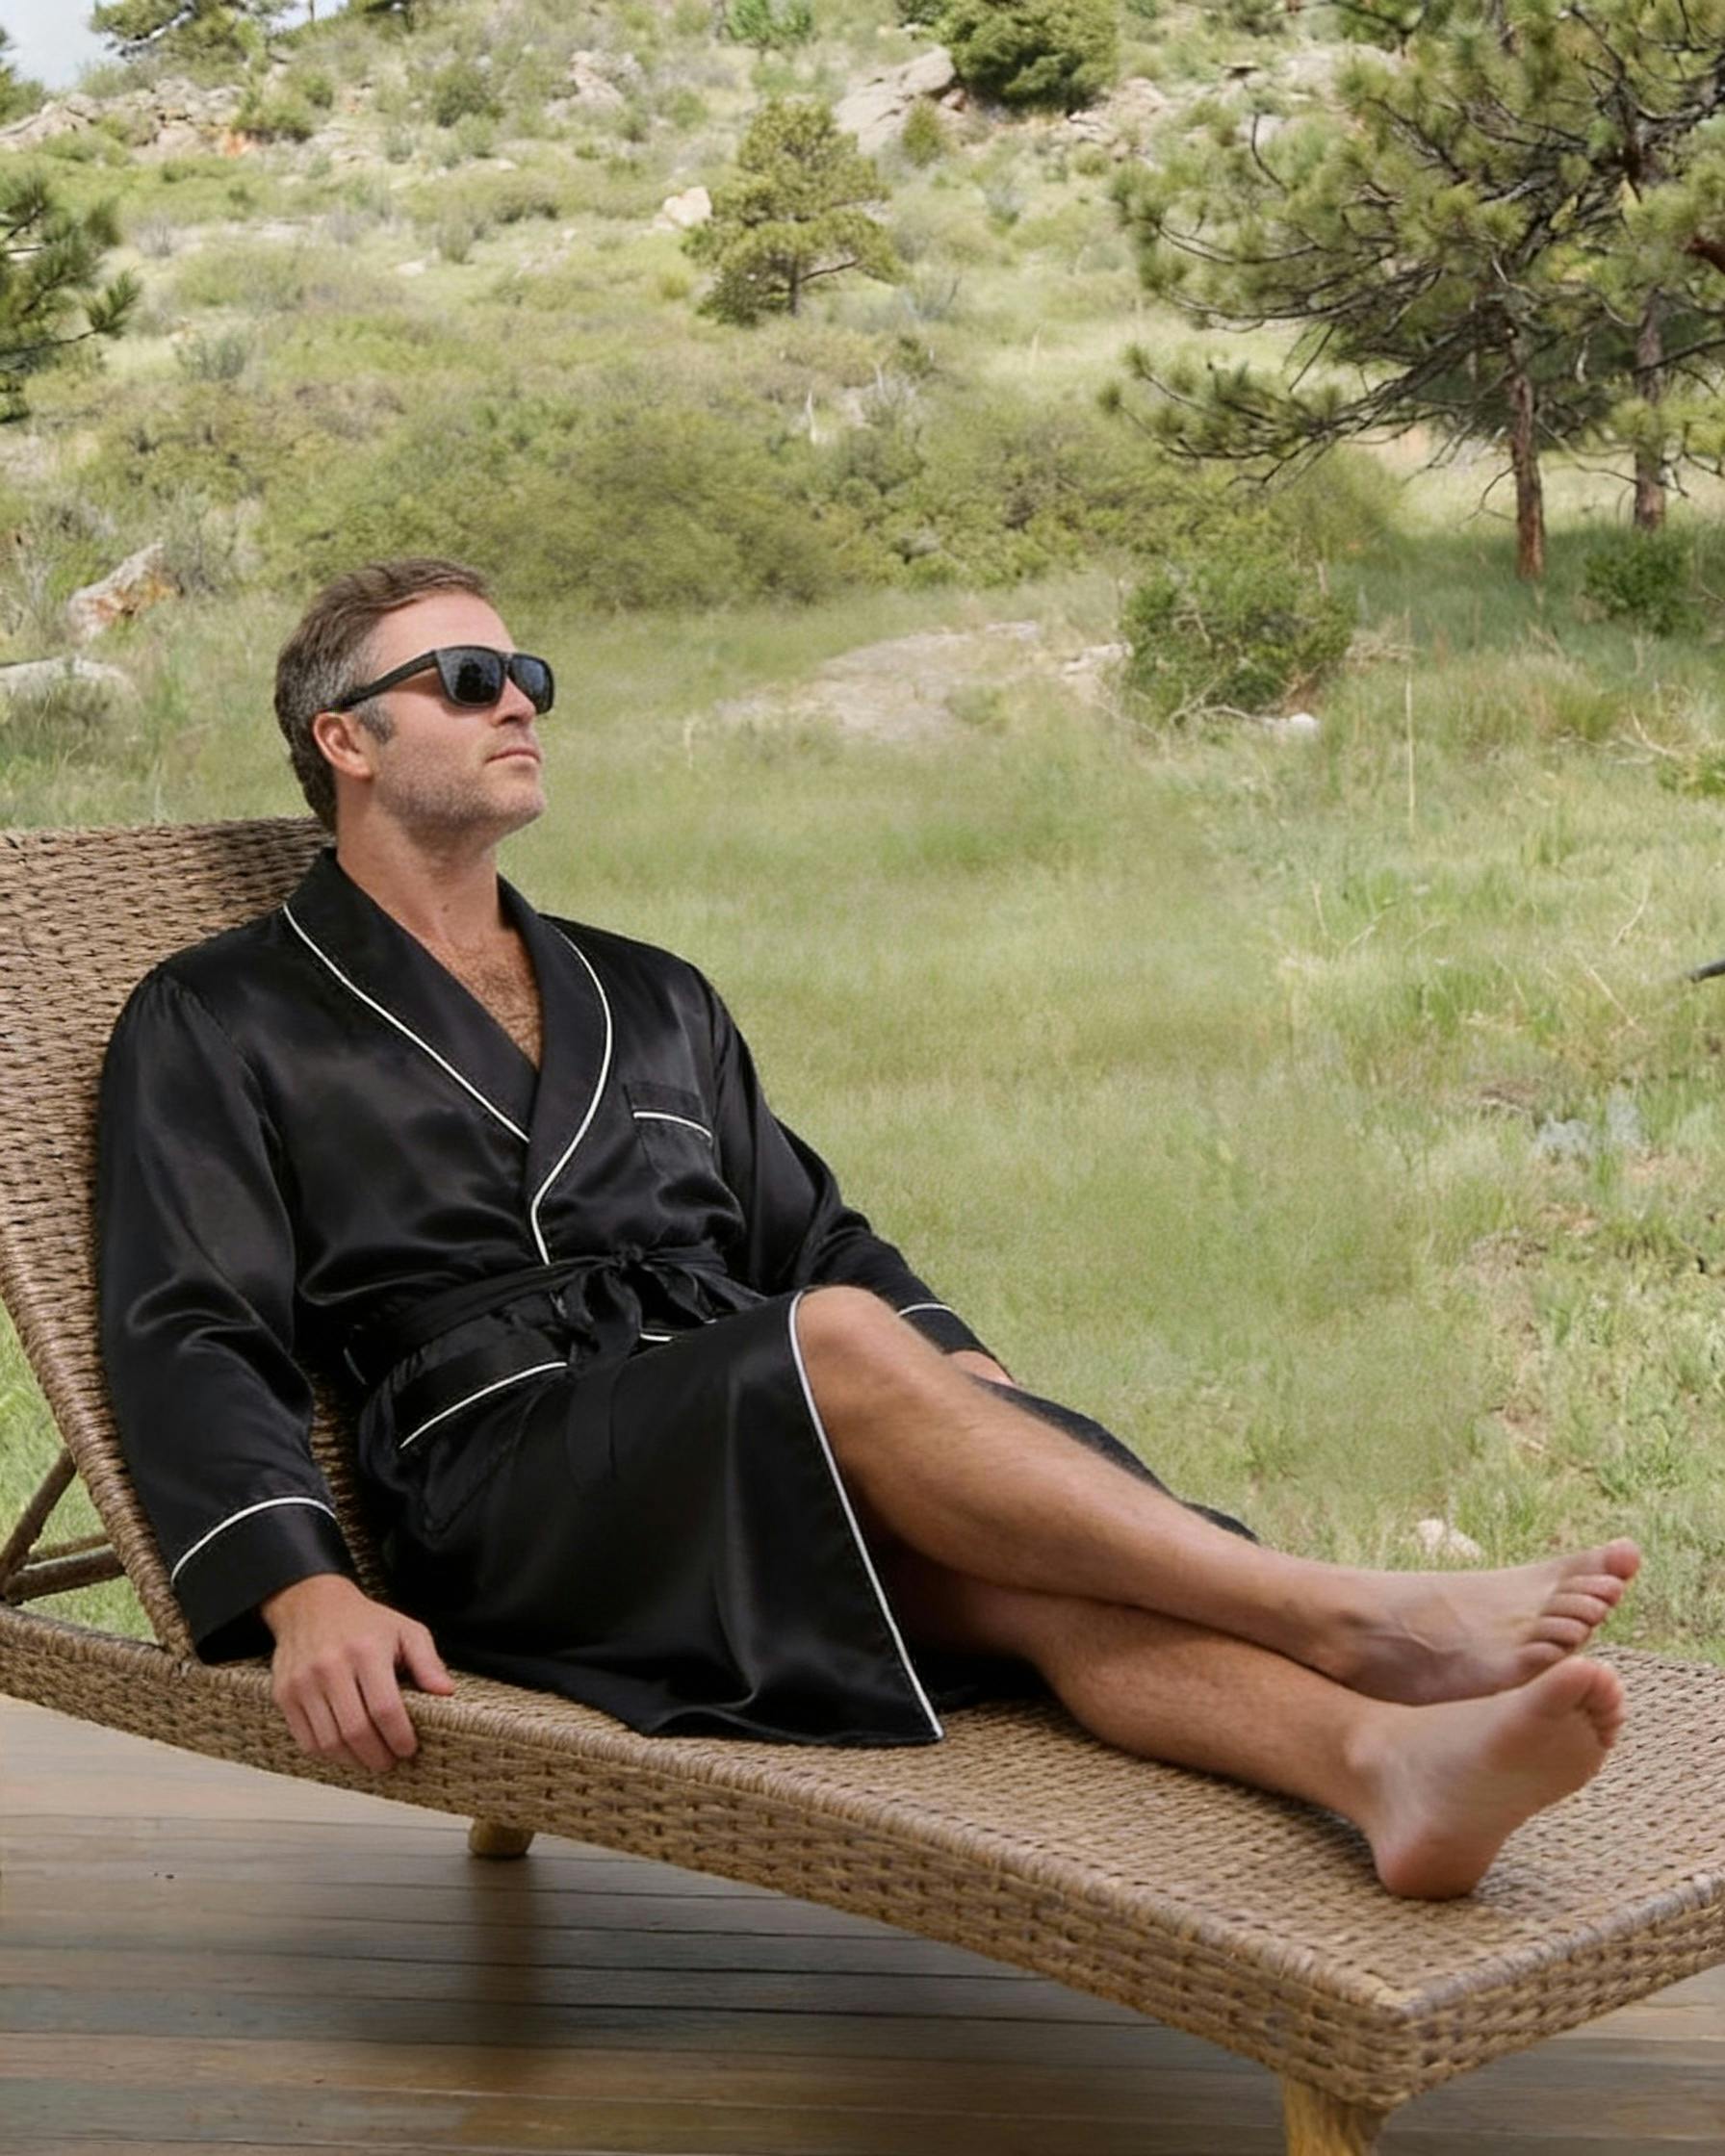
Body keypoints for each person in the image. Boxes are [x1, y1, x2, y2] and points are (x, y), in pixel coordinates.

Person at [97, 558, 1641, 1903]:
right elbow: (191, 1324)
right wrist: (302, 1588)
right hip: (501, 1485)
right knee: (840, 1344)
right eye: (468, 679)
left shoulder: (649, 991)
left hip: (731, 1430)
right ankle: (1350, 1612)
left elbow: (813, 1233)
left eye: (531, 678)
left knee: (1025, 1576)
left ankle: (1382, 1766)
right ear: (346, 739)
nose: (521, 704)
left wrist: (959, 1382)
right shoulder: (222, 1012)